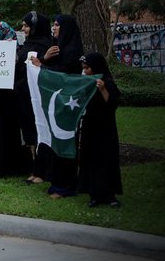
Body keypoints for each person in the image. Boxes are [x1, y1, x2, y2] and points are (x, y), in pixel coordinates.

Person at [34, 14, 84, 199]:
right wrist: (44, 59)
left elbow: (64, 74)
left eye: (57, 25)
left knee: (65, 144)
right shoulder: (55, 48)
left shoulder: (73, 50)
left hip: (68, 106)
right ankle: (57, 183)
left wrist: (42, 65)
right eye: (53, 24)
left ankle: (66, 186)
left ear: (66, 28)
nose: (53, 28)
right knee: (55, 143)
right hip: (55, 104)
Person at [0, 21, 31, 178]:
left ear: (0, 32)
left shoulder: (14, 50)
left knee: (8, 130)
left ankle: (10, 166)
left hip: (9, 98)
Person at [78, 53, 123, 208]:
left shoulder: (107, 81)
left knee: (107, 158)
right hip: (90, 125)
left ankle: (110, 194)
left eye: (87, 68)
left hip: (105, 127)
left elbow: (113, 104)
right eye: (83, 68)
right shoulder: (86, 82)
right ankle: (94, 194)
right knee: (91, 159)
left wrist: (103, 89)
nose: (85, 71)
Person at [15, 11, 53, 184]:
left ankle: (42, 170)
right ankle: (33, 168)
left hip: (37, 96)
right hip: (23, 94)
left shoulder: (45, 46)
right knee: (29, 130)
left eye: (26, 25)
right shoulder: (27, 44)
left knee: (40, 130)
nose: (23, 29)